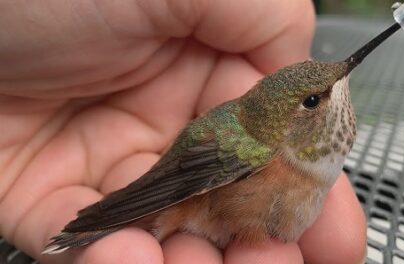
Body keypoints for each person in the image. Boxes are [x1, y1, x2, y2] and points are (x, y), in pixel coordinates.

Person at [0, 1, 367, 263]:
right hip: (190, 192)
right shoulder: (260, 151)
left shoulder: (301, 146)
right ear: (291, 120)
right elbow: (185, 181)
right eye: (315, 100)